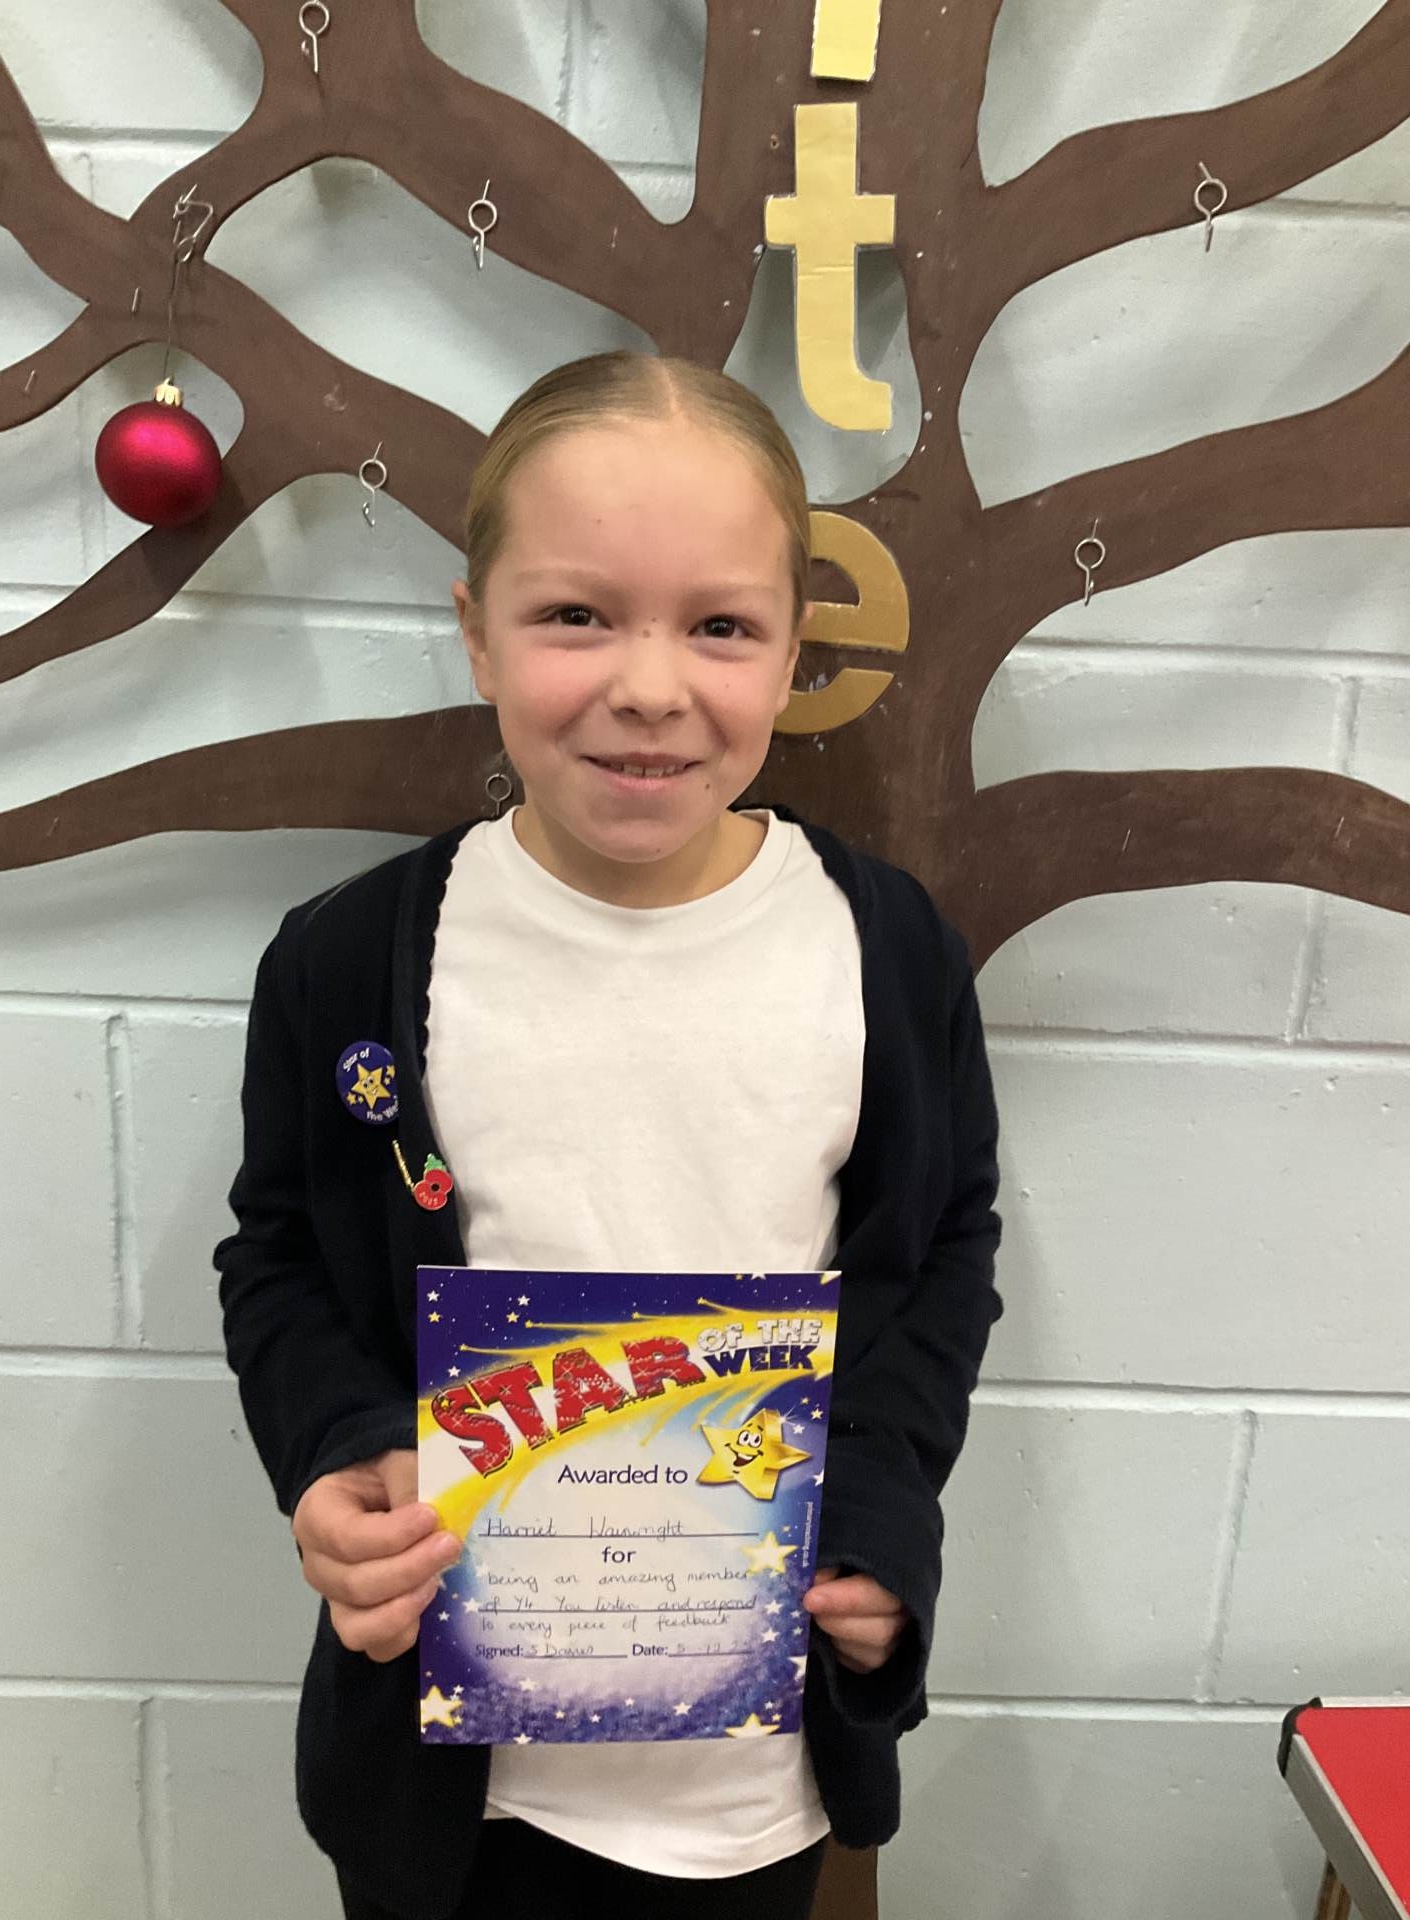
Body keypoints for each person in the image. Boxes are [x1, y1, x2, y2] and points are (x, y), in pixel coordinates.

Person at [214, 347, 1004, 1920]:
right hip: (446, 1780)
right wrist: (340, 1450)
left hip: (751, 1781)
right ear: (477, 632)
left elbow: (941, 1257)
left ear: (793, 651)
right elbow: (281, 1252)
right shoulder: (348, 960)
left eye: (721, 626)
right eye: (576, 615)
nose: (650, 685)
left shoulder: (885, 951)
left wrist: (881, 1509)